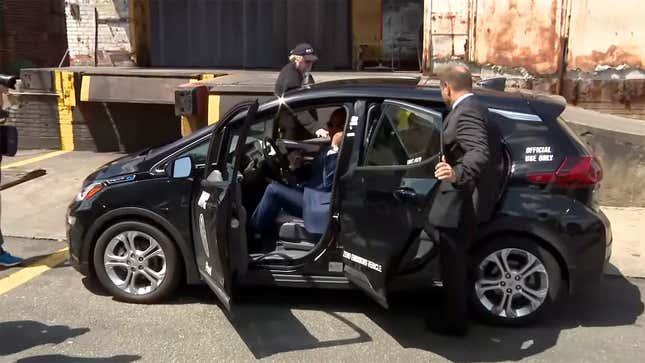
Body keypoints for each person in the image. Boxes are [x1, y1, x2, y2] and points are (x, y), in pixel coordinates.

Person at [427, 63, 501, 336]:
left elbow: (479, 152)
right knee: (454, 260)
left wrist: (456, 172)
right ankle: (453, 311)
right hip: (462, 201)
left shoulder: (466, 112)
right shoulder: (475, 106)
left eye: (440, 89)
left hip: (462, 204)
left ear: (446, 88)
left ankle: (454, 322)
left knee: (454, 263)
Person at [250, 108, 346, 244]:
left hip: (319, 203)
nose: (329, 128)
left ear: (343, 129)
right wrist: (297, 166)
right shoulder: (327, 149)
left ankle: (253, 235)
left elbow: (330, 182)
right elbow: (314, 173)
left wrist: (335, 148)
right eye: (329, 124)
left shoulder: (341, 151)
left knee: (273, 191)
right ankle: (258, 232)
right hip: (310, 194)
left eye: (333, 125)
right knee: (274, 184)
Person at [275, 43, 328, 140]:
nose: (310, 64)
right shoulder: (289, 76)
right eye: (307, 61)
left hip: (305, 129)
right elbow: (296, 106)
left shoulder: (305, 74)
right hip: (292, 132)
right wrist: (315, 128)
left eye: (312, 61)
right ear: (297, 59)